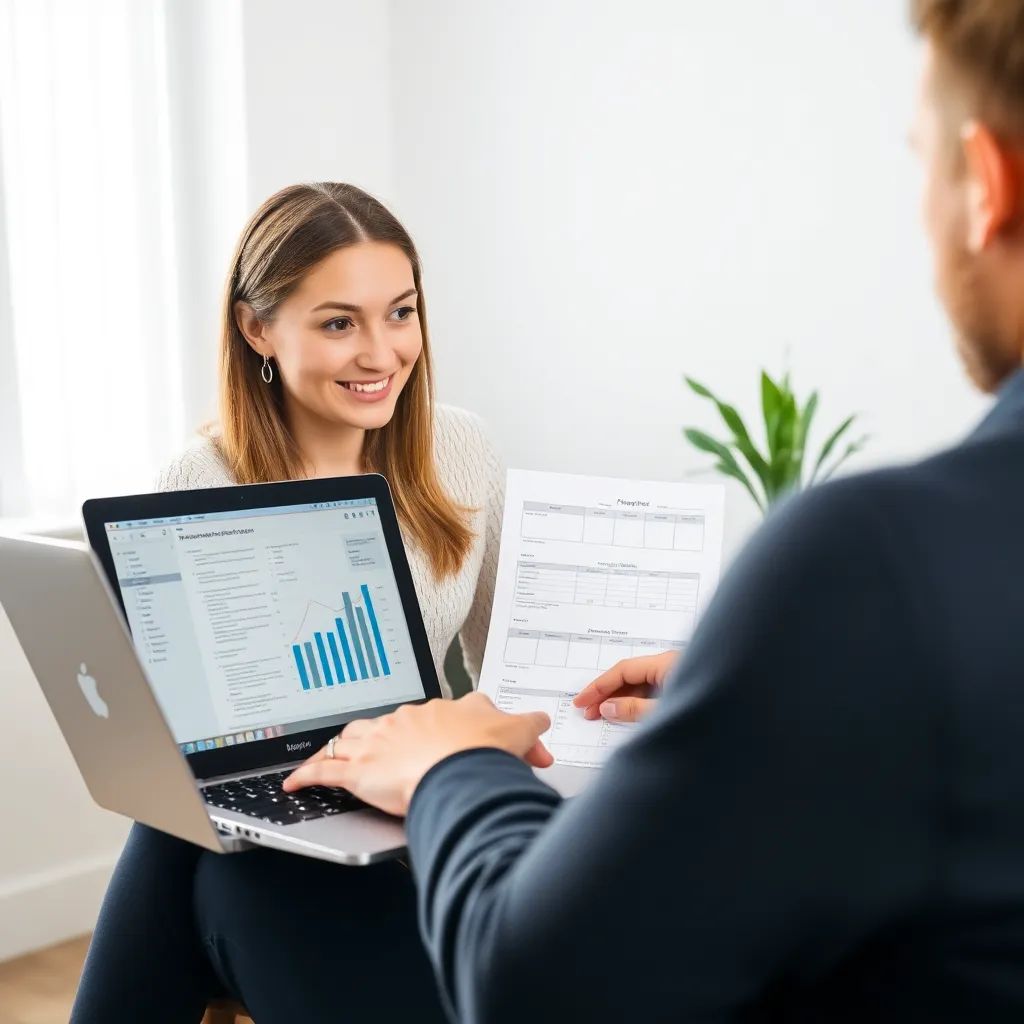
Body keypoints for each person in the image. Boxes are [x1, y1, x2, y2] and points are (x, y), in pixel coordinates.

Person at [283, 3, 1024, 1021]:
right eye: (340, 321)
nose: (380, 349)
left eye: (920, 164)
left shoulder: (876, 560)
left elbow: (536, 986)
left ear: (986, 184)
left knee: (215, 874)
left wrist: (451, 763)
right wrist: (779, 689)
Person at [71, 182, 510, 1022]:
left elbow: (505, 674)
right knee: (201, 829)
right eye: (339, 321)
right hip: (283, 813)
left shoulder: (462, 450)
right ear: (257, 328)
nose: (382, 353)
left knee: (194, 860)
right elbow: (184, 732)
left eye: (401, 312)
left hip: (419, 806)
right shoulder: (201, 479)